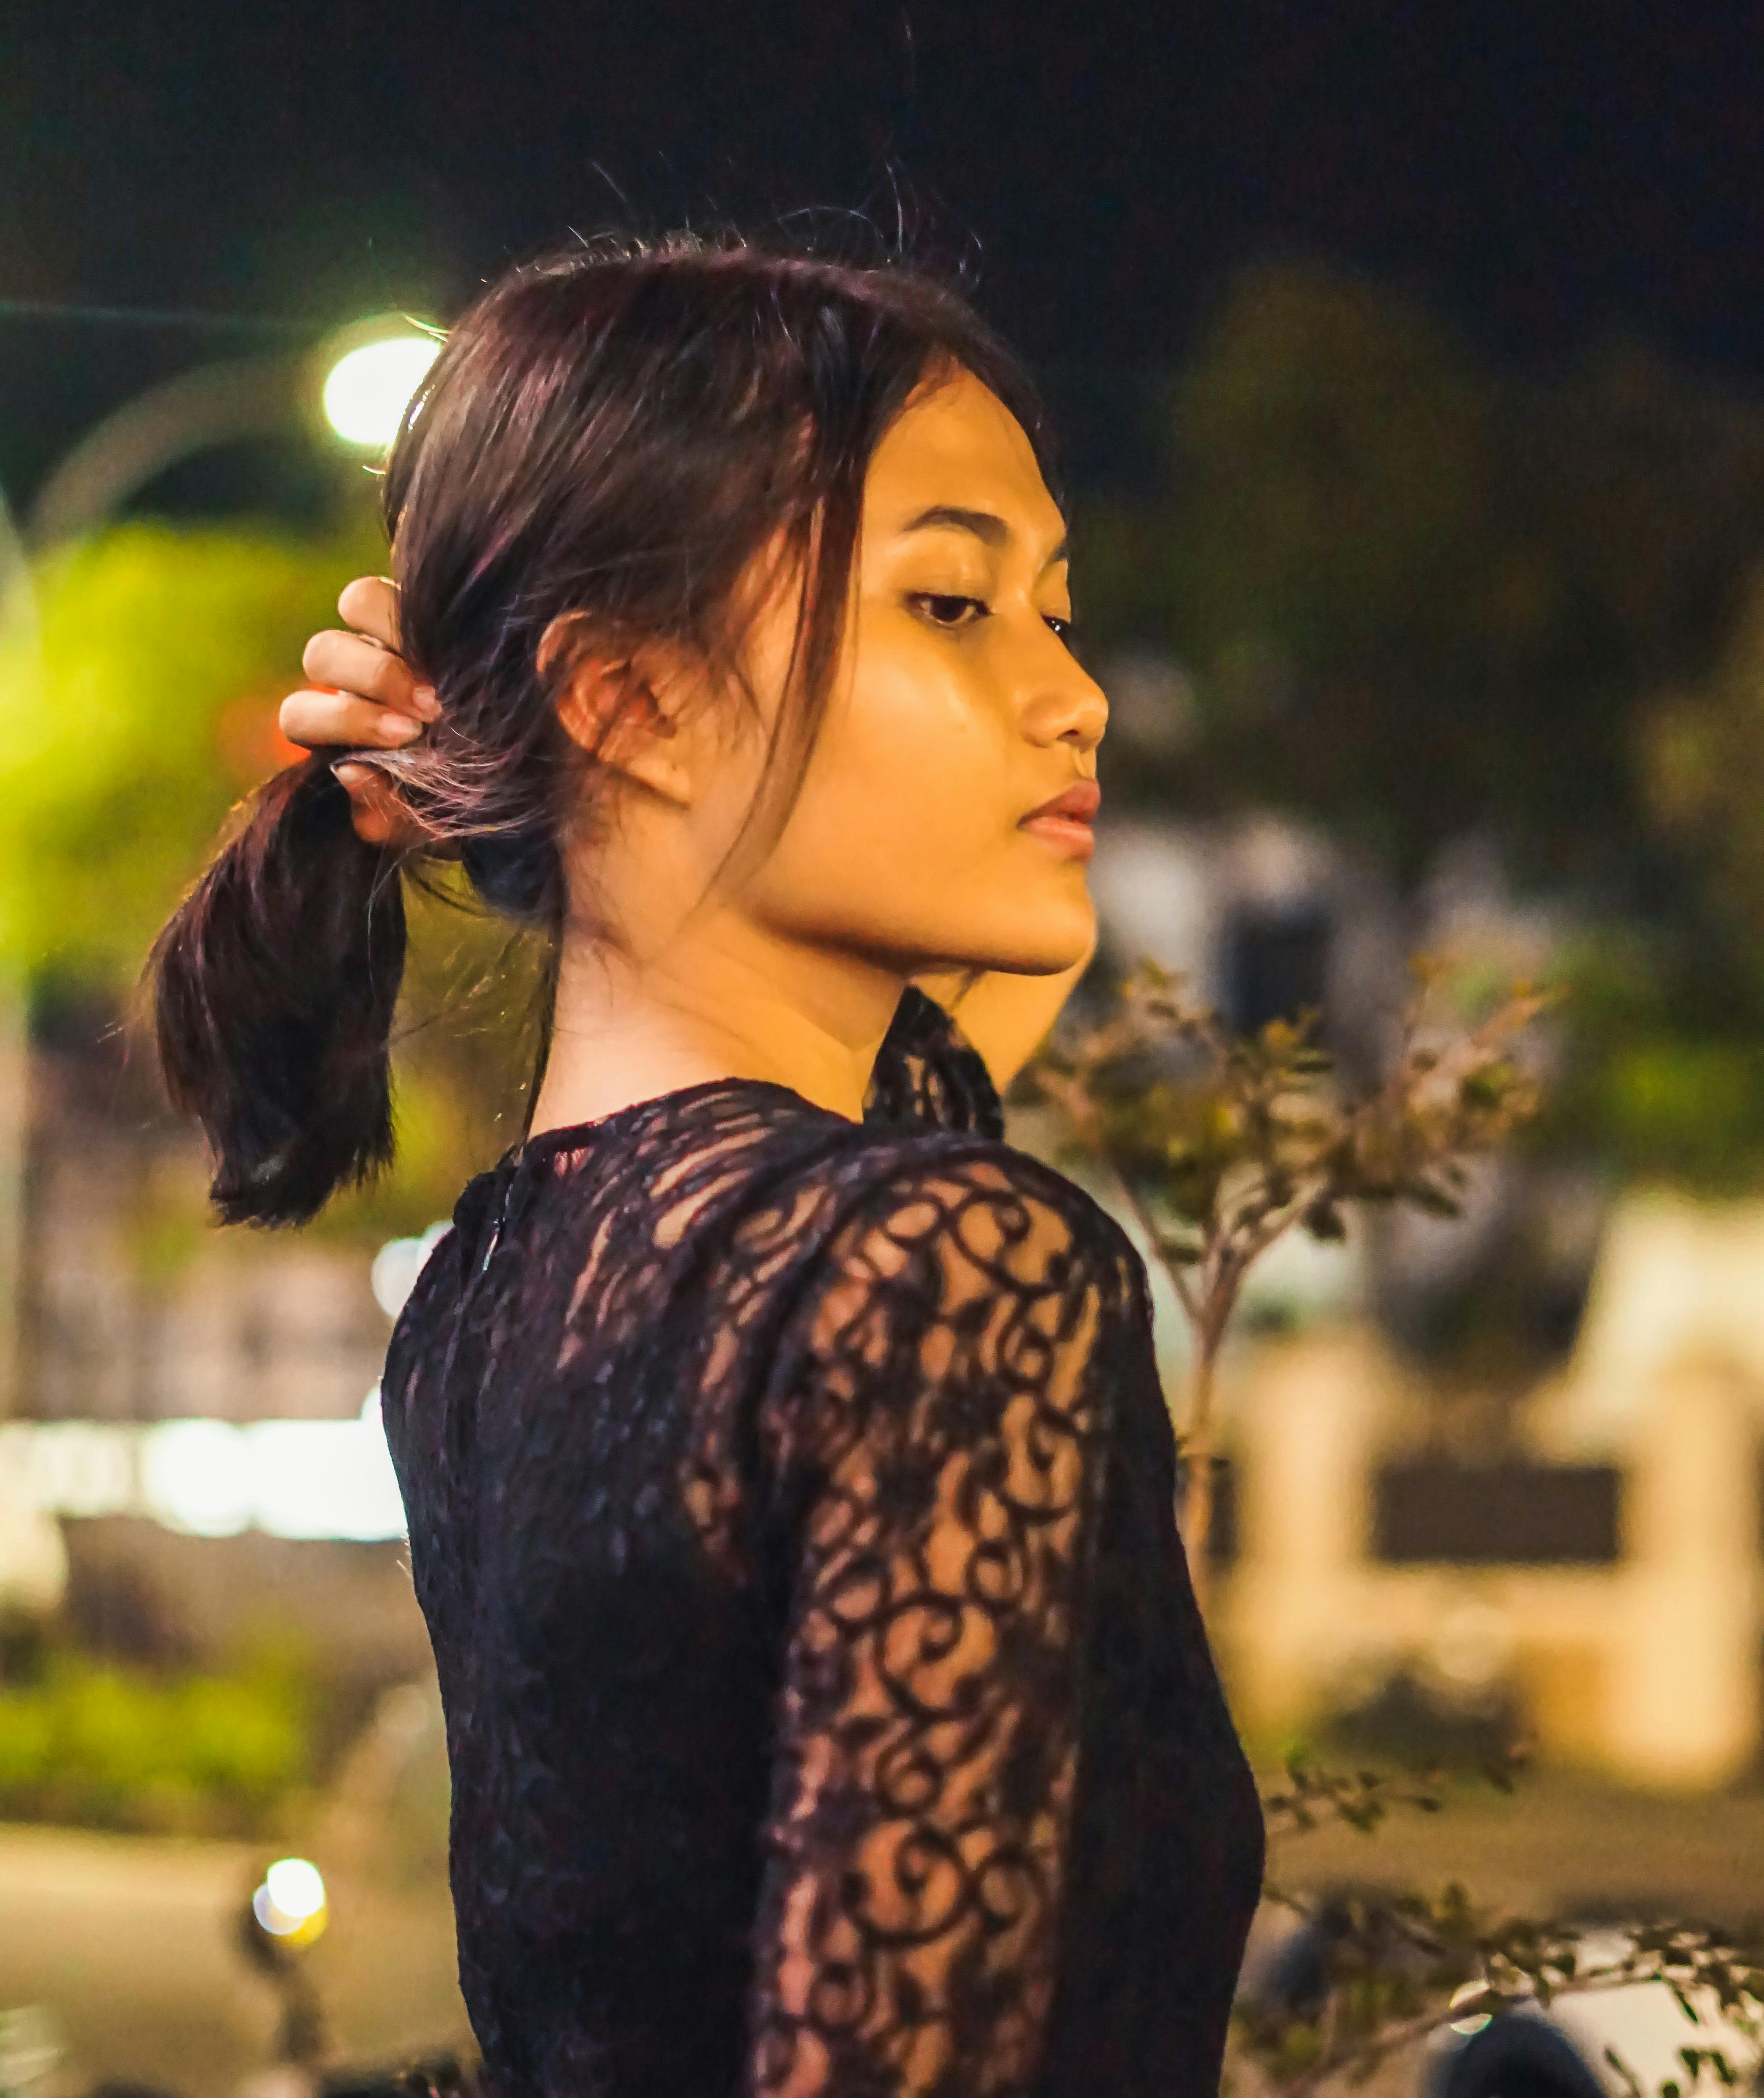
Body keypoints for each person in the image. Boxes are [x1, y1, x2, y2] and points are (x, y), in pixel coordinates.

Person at [152, 239, 1265, 2098]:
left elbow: (979, 1005)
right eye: (951, 604)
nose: (1074, 695)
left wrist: (509, 731)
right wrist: (512, 717)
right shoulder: (938, 1273)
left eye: (1057, 612)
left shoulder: (501, 1291)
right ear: (633, 702)